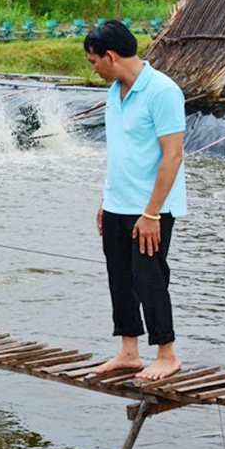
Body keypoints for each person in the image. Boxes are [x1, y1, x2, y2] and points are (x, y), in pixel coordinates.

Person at [84, 20, 187, 380]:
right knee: (120, 278)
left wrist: (151, 213)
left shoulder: (163, 91)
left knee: (150, 278)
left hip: (151, 209)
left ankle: (167, 354)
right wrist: (105, 199)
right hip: (117, 204)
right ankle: (129, 351)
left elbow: (172, 156)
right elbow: (122, 152)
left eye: (94, 61)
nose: (94, 68)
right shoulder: (116, 92)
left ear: (110, 56)